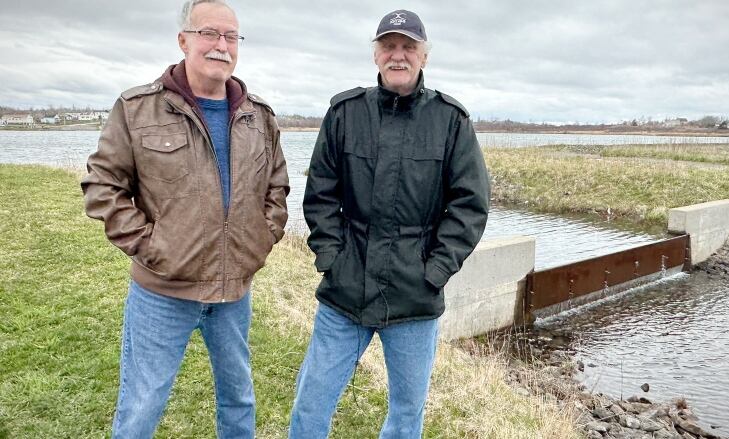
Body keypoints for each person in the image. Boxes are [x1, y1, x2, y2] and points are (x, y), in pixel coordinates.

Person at [81, 0, 289, 437]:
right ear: (184, 40)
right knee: (142, 404)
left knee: (239, 398)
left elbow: (277, 187)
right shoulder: (138, 109)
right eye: (209, 33)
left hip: (234, 292)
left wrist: (261, 240)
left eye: (231, 37)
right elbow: (103, 187)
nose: (221, 45)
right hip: (162, 293)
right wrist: (154, 247)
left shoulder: (260, 118)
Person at [289, 9, 489, 439]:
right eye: (389, 47)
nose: (398, 56)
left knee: (406, 414)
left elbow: (470, 206)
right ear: (376, 55)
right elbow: (321, 192)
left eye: (408, 47)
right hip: (344, 293)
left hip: (414, 298)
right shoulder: (344, 113)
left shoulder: (451, 121)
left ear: (424, 56)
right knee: (313, 401)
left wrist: (434, 271)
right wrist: (331, 256)